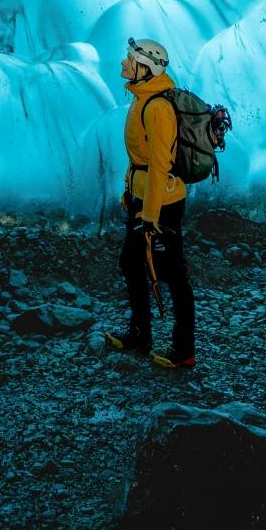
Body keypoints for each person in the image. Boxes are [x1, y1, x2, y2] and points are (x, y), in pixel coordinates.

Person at [104, 36, 196, 370]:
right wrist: (130, 194)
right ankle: (140, 335)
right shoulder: (141, 98)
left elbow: (159, 165)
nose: (124, 64)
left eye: (129, 59)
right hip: (144, 200)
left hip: (163, 204)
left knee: (173, 275)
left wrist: (151, 216)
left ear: (146, 67)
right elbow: (138, 158)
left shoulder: (158, 107)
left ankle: (184, 351)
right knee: (131, 263)